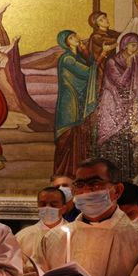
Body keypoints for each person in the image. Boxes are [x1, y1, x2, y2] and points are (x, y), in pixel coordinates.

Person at [96, 33, 138, 182]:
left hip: (125, 104)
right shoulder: (112, 62)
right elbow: (121, 83)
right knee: (111, 137)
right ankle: (106, 176)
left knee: (125, 138)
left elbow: (137, 84)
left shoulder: (135, 60)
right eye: (133, 45)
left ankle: (125, 176)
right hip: (111, 102)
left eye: (137, 46)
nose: (135, 49)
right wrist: (130, 66)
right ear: (124, 45)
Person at [53, 30, 92, 178]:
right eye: (71, 37)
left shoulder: (77, 57)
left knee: (77, 136)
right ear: (66, 42)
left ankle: (77, 171)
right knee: (67, 137)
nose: (76, 38)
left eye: (75, 35)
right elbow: (88, 73)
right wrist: (101, 57)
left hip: (78, 100)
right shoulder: (68, 59)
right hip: (70, 103)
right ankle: (63, 172)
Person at [15, 186, 69, 258]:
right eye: (42, 204)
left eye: (53, 205)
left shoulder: (75, 233)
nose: (47, 208)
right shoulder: (22, 236)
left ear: (63, 209)